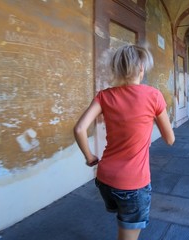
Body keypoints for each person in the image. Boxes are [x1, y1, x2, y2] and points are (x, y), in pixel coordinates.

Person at [74, 44, 175, 240]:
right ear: (141, 68)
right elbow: (170, 139)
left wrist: (89, 157)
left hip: (104, 179)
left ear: (117, 69)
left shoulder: (104, 96)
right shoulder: (154, 95)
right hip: (133, 184)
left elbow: (79, 129)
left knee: (122, 216)